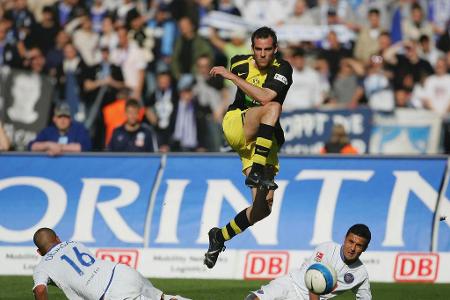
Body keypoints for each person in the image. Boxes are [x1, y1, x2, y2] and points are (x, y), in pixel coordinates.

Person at [204, 26, 293, 269]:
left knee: (263, 209)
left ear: (275, 49)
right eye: (258, 49)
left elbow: (265, 95)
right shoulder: (239, 63)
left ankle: (219, 236)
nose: (262, 54)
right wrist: (235, 76)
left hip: (262, 140)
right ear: (252, 49)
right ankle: (256, 170)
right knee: (274, 108)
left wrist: (232, 78)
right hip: (238, 124)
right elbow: (267, 103)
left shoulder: (283, 68)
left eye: (267, 50)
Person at [32, 227, 190, 300]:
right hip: (122, 272)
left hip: (110, 294)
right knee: (162, 298)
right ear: (58, 238)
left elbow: (40, 291)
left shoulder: (42, 267)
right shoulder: (74, 243)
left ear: (39, 252)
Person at [246, 224, 372, 300]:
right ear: (345, 239)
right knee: (254, 298)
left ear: (364, 248)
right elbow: (314, 282)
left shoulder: (361, 274)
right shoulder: (327, 248)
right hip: (291, 284)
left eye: (359, 245)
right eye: (351, 242)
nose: (353, 248)